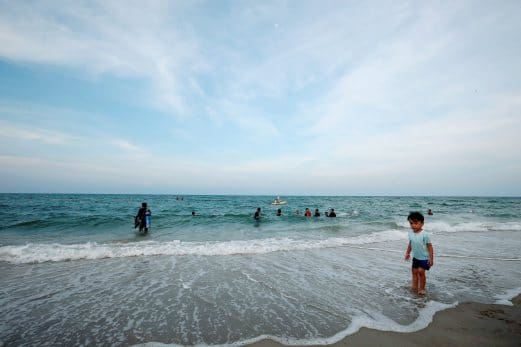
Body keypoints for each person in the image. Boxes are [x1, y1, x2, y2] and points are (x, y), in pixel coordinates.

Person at [404, 211, 434, 296]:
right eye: (411, 223)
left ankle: (421, 288)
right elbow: (410, 244)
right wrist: (407, 253)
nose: (413, 225)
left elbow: (430, 247)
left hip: (424, 258)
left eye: (416, 223)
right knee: (414, 272)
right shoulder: (410, 233)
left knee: (421, 272)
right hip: (416, 258)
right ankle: (414, 287)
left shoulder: (425, 234)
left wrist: (431, 259)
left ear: (422, 223)